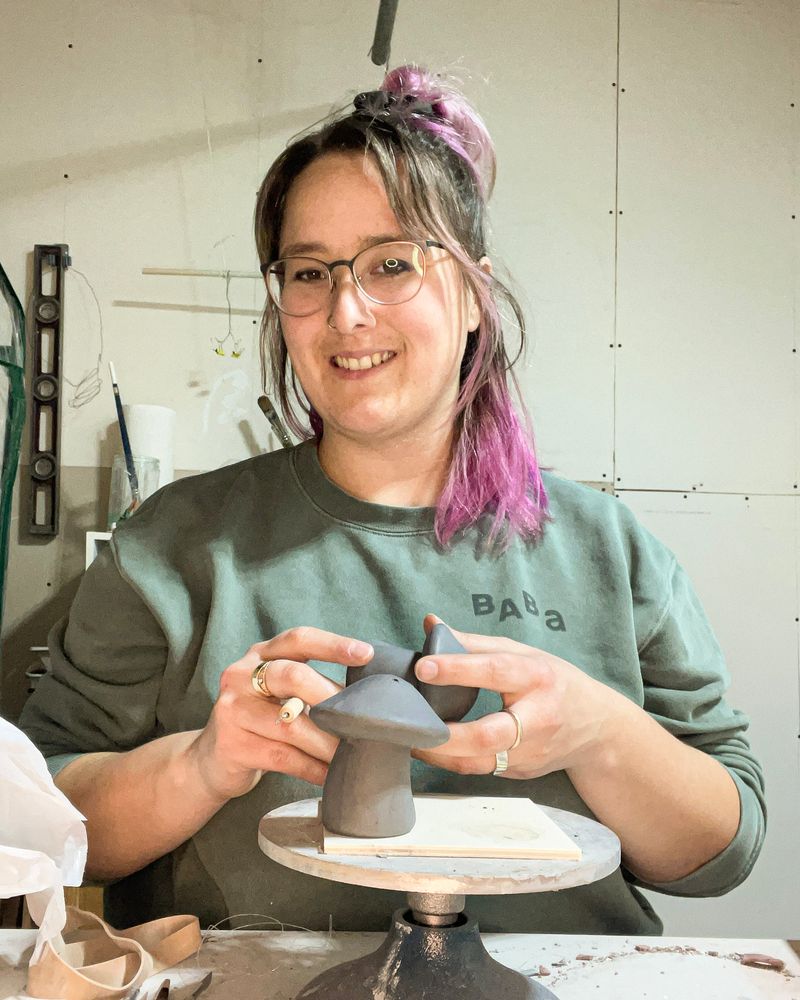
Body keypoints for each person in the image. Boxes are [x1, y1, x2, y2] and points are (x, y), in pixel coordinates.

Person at [20, 65, 765, 935]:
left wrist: (602, 736)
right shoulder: (175, 546)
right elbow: (42, 817)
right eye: (308, 274)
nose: (347, 312)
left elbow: (723, 852)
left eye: (393, 264)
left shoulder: (607, 548)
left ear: (476, 293)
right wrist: (201, 764)